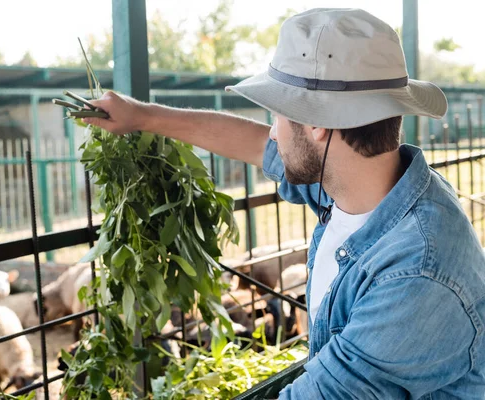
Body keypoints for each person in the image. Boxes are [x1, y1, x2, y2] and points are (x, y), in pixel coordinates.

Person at [80, 8, 485, 399]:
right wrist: (141, 116)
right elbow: (255, 144)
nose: (272, 132)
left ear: (318, 126)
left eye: (276, 115)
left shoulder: (417, 273)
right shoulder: (360, 183)